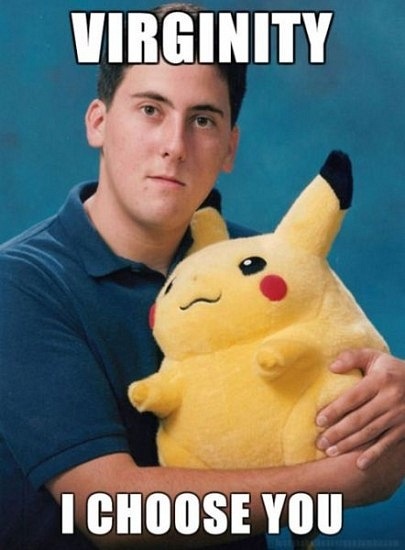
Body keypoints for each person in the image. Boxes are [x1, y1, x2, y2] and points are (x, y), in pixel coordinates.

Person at [1, 3, 404, 549]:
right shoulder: (20, 284)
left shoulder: (266, 264)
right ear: (98, 122)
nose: (175, 145)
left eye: (203, 119)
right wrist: (339, 484)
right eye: (151, 109)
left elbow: (350, 363)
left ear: (230, 147)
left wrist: (388, 394)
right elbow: (110, 512)